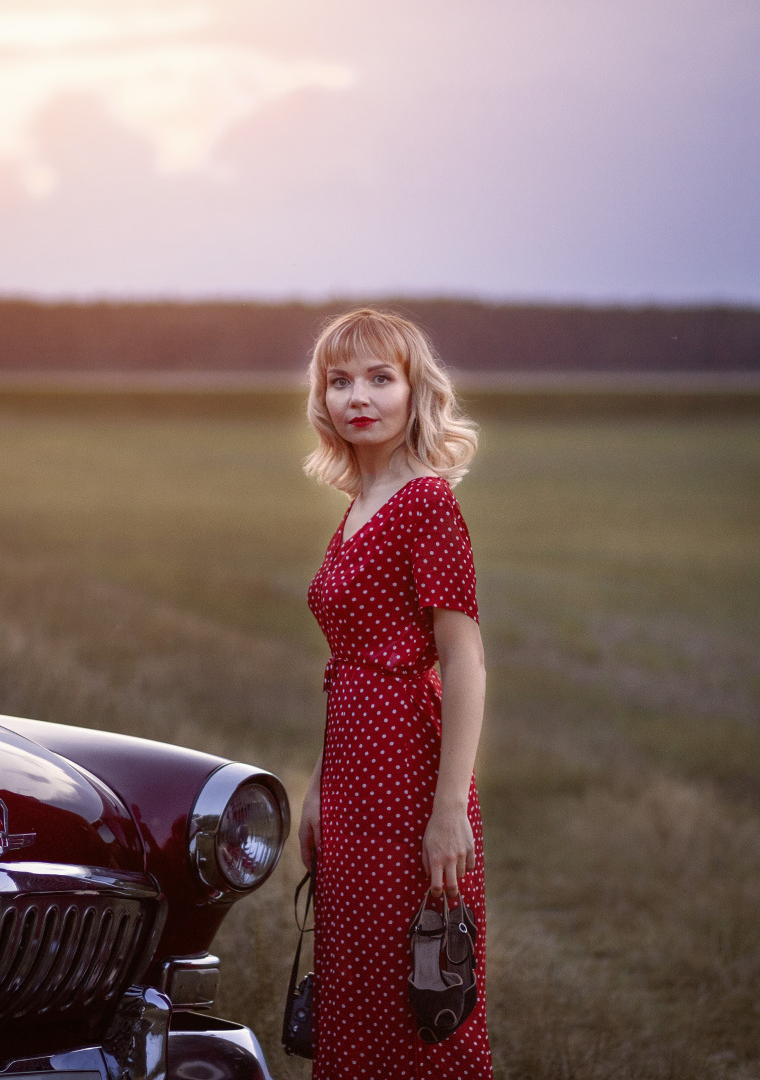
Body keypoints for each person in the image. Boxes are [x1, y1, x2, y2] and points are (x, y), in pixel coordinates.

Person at [299, 308, 491, 1078]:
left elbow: (465, 660)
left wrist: (448, 811)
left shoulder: (426, 503)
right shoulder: (355, 507)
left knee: (415, 989)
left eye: (381, 378)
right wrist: (318, 786)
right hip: (349, 780)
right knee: (352, 984)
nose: (359, 396)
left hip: (410, 778)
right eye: (340, 380)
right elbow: (342, 665)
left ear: (415, 391)